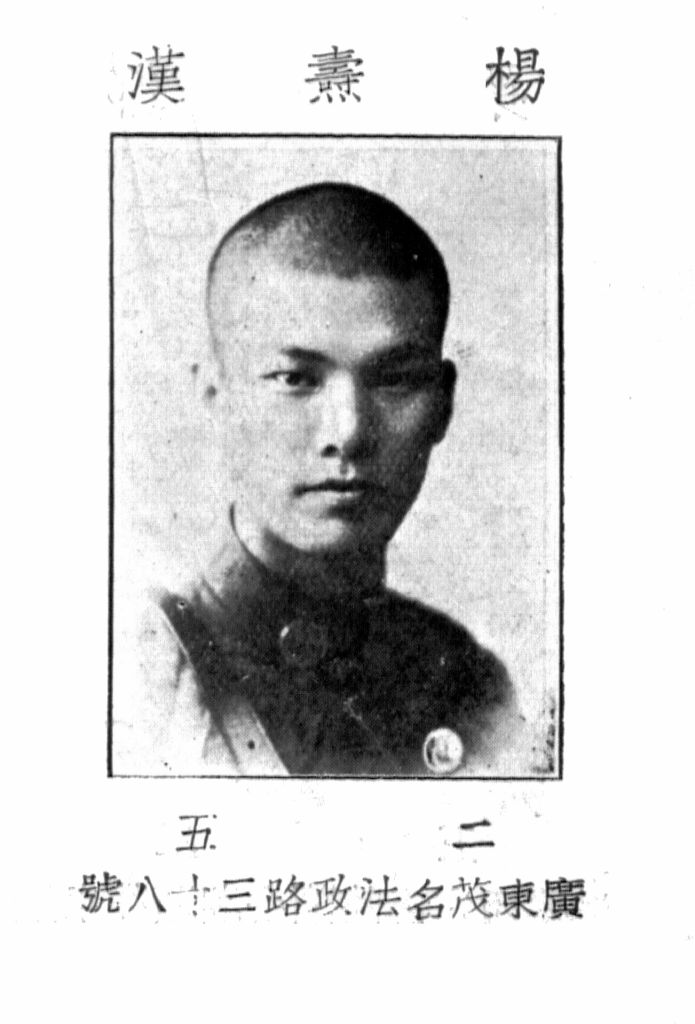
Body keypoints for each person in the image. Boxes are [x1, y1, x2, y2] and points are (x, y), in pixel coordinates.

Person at [113, 182, 523, 777]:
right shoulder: (137, 675)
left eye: (394, 380)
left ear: (443, 404)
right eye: (295, 379)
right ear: (216, 394)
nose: (348, 432)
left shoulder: (468, 686)